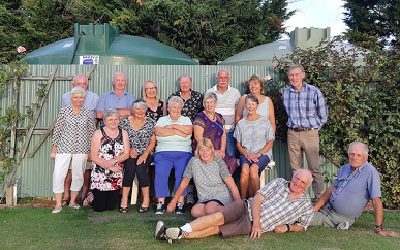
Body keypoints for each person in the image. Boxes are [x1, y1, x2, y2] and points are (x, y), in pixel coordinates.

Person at [155, 169, 314, 242]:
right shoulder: (280, 183)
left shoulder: (305, 204)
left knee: (215, 230)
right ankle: (182, 230)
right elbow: (258, 197)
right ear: (293, 176)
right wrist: (257, 222)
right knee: (218, 217)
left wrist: (288, 227)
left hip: (248, 225)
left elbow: (303, 225)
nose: (298, 183)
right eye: (297, 179)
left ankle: (171, 234)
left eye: (302, 182)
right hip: (246, 207)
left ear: (306, 186)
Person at [311, 142, 397, 237]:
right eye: (352, 154)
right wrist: (315, 208)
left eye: (358, 155)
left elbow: (377, 201)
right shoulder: (345, 168)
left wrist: (379, 228)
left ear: (365, 157)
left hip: (338, 217)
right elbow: (332, 189)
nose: (354, 157)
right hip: (326, 208)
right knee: (303, 210)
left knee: (304, 217)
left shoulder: (370, 173)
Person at [282, 64, 328, 198]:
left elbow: (323, 115)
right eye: (291, 75)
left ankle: (320, 199)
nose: (294, 77)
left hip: (310, 134)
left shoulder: (313, 91)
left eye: (297, 74)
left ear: (303, 75)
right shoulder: (286, 93)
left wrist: (313, 129)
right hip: (293, 133)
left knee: (314, 169)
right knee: (296, 170)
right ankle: (298, 200)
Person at [166, 138, 241, 218]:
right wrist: (173, 202)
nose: (205, 153)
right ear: (198, 151)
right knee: (195, 212)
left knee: (210, 208)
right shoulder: (193, 161)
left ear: (212, 150)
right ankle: (217, 220)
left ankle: (229, 214)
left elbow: (232, 185)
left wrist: (239, 205)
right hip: (204, 197)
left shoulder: (218, 161)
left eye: (207, 150)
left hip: (220, 195)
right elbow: (184, 182)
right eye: (202, 150)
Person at [50, 86, 96, 213]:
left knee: (78, 175)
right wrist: (54, 148)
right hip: (64, 147)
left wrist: (91, 151)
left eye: (81, 97)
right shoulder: (64, 111)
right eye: (76, 97)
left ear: (84, 98)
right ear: (71, 98)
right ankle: (58, 204)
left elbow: (92, 132)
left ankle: (72, 201)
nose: (78, 100)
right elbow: (58, 130)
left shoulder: (87, 112)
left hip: (82, 148)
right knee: (59, 174)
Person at [61, 74, 99, 206]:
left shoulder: (94, 97)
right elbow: (63, 119)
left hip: (86, 137)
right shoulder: (66, 96)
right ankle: (66, 197)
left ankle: (83, 197)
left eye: (84, 83)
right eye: (79, 84)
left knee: (86, 170)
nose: (82, 86)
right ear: (73, 85)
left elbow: (98, 117)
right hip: (70, 139)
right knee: (69, 170)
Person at [154, 96, 193, 214]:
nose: (176, 110)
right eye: (173, 107)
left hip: (183, 152)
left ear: (181, 108)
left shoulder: (186, 119)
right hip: (163, 152)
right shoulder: (162, 120)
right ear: (169, 108)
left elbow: (188, 131)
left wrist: (172, 127)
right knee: (161, 173)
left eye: (178, 107)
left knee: (181, 174)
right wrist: (179, 131)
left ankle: (180, 203)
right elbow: (158, 131)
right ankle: (160, 203)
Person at [234, 95, 275, 198]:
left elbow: (270, 142)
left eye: (253, 104)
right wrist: (246, 154)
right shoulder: (241, 124)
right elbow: (238, 145)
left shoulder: (265, 121)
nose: (250, 106)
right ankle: (243, 201)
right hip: (246, 153)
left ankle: (255, 201)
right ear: (245, 106)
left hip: (263, 153)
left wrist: (258, 153)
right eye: (248, 104)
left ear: (257, 106)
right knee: (244, 170)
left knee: (253, 170)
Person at [119, 100, 156, 213]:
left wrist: (144, 155)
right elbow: (120, 138)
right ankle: (124, 199)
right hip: (129, 151)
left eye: (143, 109)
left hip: (147, 152)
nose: (140, 111)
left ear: (146, 110)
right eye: (137, 109)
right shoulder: (125, 122)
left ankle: (146, 199)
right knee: (130, 169)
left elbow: (153, 142)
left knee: (140, 169)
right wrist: (129, 149)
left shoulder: (151, 122)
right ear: (133, 110)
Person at [89, 110, 130, 212]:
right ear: (105, 121)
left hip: (116, 172)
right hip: (100, 171)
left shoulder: (123, 133)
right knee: (99, 208)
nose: (113, 121)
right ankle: (90, 197)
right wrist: (109, 166)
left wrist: (114, 161)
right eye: (110, 119)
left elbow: (126, 154)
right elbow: (93, 156)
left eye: (116, 119)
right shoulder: (98, 133)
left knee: (111, 207)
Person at [193, 92, 237, 174]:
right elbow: (198, 138)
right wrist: (212, 151)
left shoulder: (220, 117)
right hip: (205, 152)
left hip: (219, 151)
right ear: (204, 104)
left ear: (216, 103)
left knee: (232, 161)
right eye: (207, 102)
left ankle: (224, 186)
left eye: (211, 102)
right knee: (214, 166)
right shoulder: (200, 118)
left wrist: (222, 150)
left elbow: (223, 135)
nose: (209, 105)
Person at [206, 69, 241, 159]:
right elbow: (206, 113)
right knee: (214, 160)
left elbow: (239, 112)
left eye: (225, 78)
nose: (223, 80)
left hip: (230, 133)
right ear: (217, 78)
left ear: (229, 79)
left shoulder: (235, 93)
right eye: (221, 78)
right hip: (214, 134)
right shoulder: (209, 92)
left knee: (231, 159)